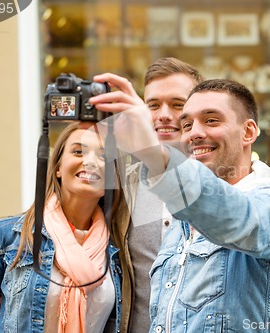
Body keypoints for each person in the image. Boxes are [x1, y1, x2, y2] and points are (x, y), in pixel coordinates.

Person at [90, 78, 270, 332]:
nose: (194, 133)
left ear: (248, 132)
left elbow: (236, 217)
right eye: (187, 124)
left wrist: (151, 150)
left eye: (211, 120)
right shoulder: (181, 221)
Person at [0, 122, 127, 333]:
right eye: (78, 151)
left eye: (103, 156)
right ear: (57, 168)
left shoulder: (117, 251)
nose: (90, 161)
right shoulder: (4, 237)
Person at [95, 57, 204, 332]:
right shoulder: (123, 186)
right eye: (153, 105)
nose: (163, 114)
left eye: (177, 104)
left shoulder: (223, 184)